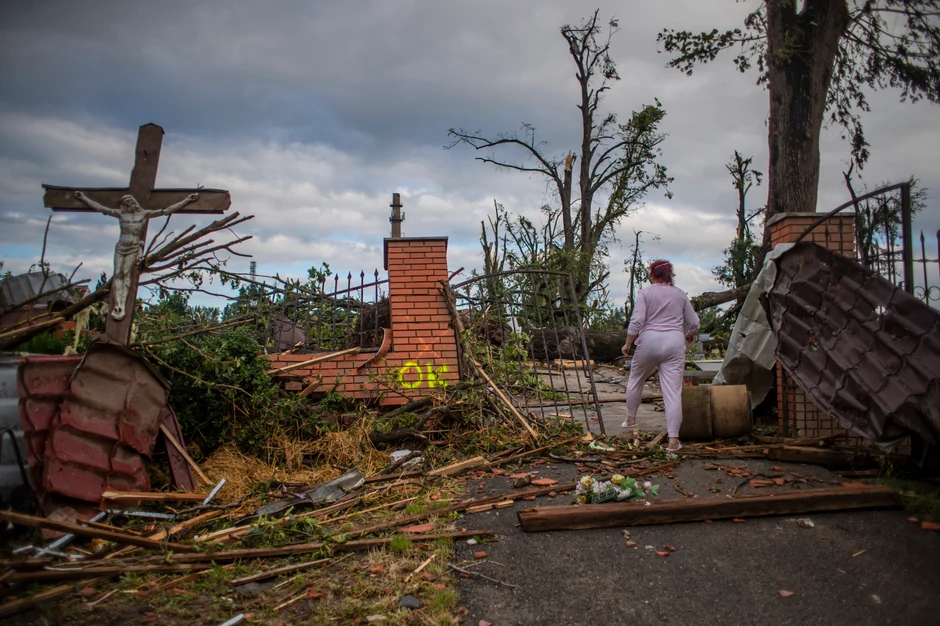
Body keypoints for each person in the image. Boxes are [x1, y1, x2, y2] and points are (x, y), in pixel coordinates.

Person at [621, 259, 699, 452]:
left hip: (649, 341)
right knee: (673, 392)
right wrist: (690, 335)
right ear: (669, 274)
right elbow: (694, 323)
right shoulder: (680, 295)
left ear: (652, 274)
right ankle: (673, 440)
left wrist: (628, 342)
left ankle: (631, 419)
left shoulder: (645, 293)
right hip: (674, 342)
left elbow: (637, 320)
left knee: (636, 378)